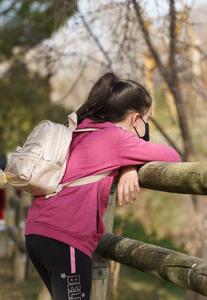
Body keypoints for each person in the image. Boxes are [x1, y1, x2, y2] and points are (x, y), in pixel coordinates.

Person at [24, 73, 181, 299]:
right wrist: (129, 164)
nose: (146, 127)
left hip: (37, 232)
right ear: (136, 119)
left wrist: (127, 167)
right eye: (147, 121)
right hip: (66, 238)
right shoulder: (115, 137)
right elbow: (173, 156)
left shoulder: (82, 128)